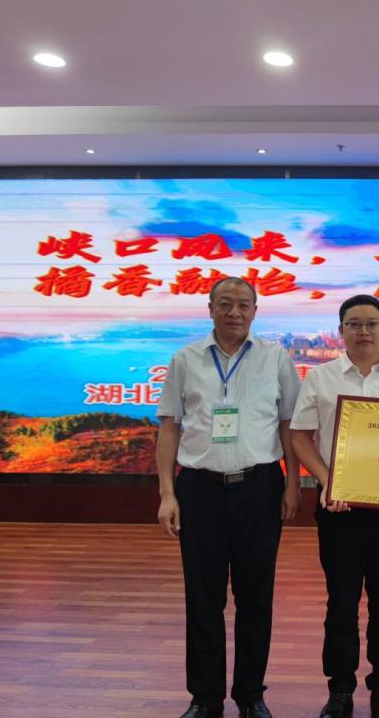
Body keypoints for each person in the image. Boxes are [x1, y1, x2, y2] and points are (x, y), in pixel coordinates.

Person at [156, 277, 302, 718]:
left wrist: (293, 483)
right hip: (198, 489)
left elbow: (289, 425)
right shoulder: (186, 359)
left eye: (243, 304)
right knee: (203, 597)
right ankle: (205, 697)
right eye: (225, 304)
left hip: (259, 486)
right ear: (210, 308)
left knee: (256, 597)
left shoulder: (276, 358)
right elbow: (169, 427)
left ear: (255, 311)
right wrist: (167, 493)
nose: (234, 312)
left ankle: (250, 693)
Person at [290, 294, 379, 718]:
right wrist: (329, 482)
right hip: (337, 510)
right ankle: (340, 689)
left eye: (372, 324)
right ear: (340, 330)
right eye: (354, 324)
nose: (363, 331)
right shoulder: (320, 377)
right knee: (341, 602)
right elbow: (301, 436)